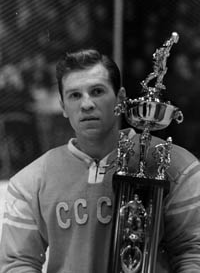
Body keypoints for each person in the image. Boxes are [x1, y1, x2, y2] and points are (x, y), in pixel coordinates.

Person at [0, 49, 200, 273]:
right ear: (63, 106)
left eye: (97, 91)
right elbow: (18, 263)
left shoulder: (177, 167)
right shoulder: (31, 182)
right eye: (75, 95)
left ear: (121, 98)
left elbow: (193, 251)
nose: (86, 104)